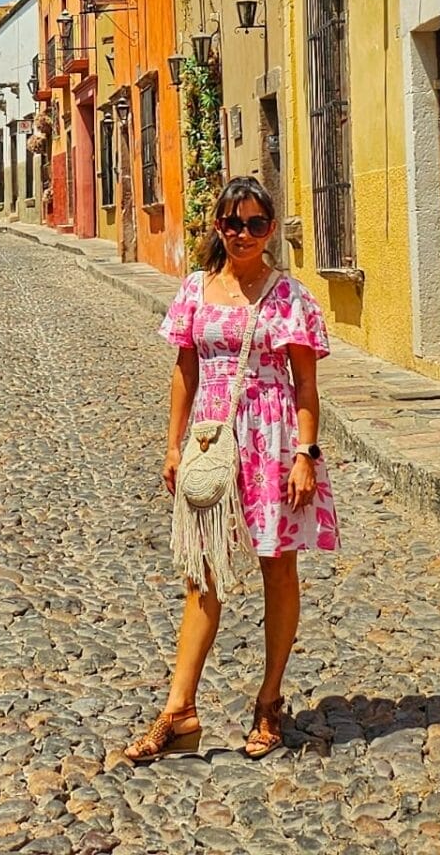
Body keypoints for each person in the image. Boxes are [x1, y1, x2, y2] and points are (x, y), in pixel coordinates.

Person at [125, 176, 339, 764]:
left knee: (277, 568)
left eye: (255, 224)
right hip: (213, 439)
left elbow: (306, 387)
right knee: (202, 571)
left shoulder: (289, 296)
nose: (242, 234)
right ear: (217, 225)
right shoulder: (195, 290)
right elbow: (184, 372)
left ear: (270, 229)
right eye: (232, 222)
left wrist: (306, 454)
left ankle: (269, 701)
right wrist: (173, 447)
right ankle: (180, 710)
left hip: (272, 440)